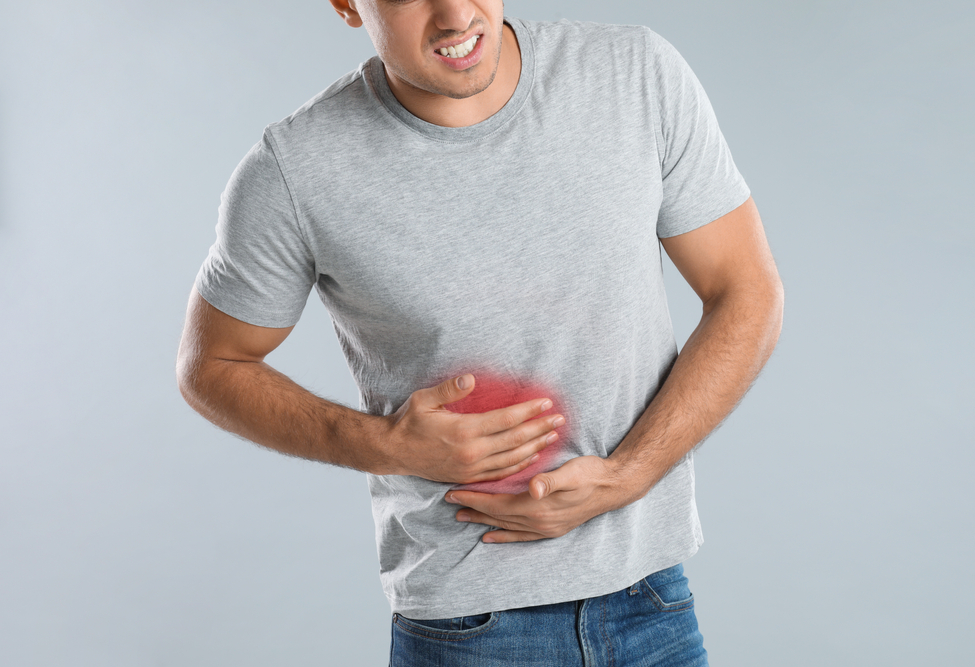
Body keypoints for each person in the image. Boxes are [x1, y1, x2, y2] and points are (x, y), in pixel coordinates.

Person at [176, 0, 784, 664]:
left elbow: (746, 292)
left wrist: (628, 475)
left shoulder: (634, 74)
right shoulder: (294, 170)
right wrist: (382, 443)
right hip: (470, 630)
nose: (455, 14)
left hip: (651, 603)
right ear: (348, 4)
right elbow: (212, 366)